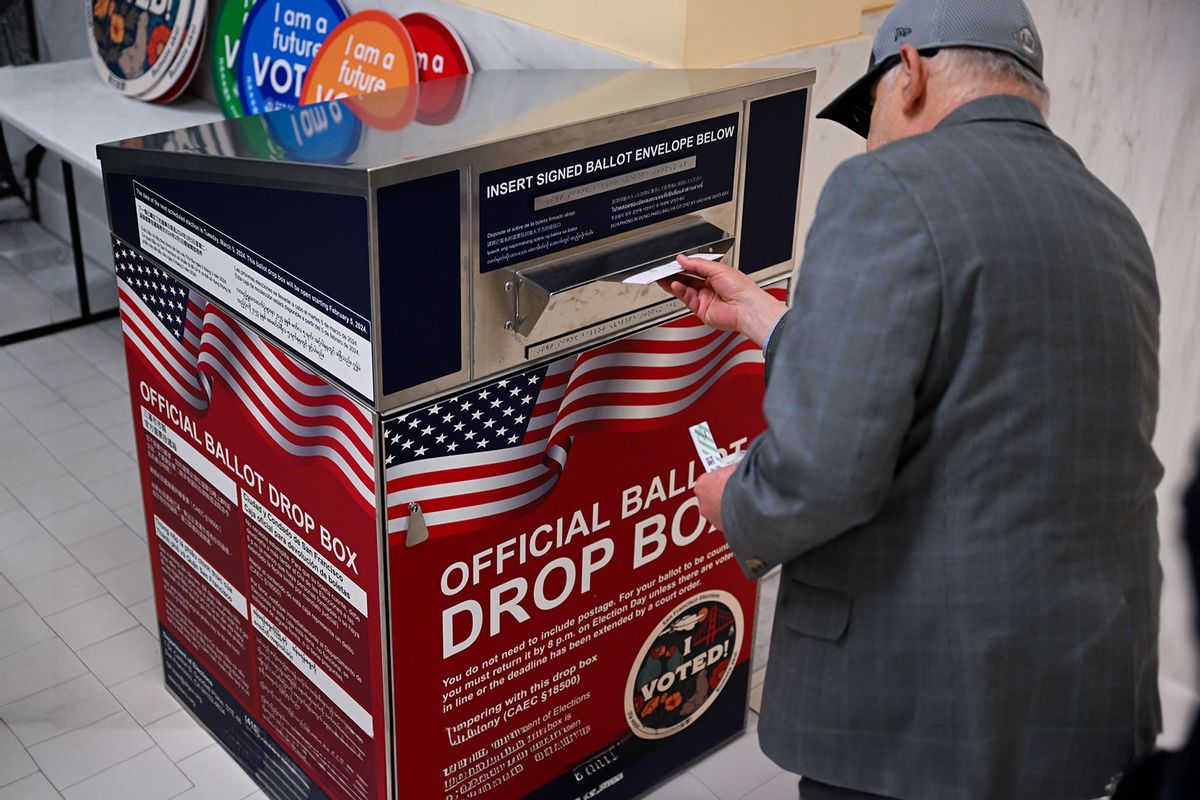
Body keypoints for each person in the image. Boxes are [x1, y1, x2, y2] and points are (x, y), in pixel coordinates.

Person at [659, 0, 1163, 798]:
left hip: (919, 710)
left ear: (913, 71)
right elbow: (976, 388)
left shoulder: (888, 184)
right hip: (1081, 696)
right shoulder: (1111, 218)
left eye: (870, 109)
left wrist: (739, 505)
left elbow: (821, 469)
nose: (870, 137)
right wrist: (765, 317)